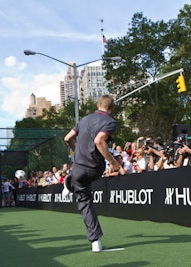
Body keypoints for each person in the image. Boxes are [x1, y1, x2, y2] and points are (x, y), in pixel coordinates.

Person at [62, 95, 121, 253]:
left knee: (85, 203)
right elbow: (99, 141)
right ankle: (69, 182)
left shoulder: (84, 120)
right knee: (80, 183)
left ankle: (96, 241)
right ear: (112, 108)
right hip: (95, 168)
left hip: (79, 168)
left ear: (98, 105)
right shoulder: (110, 122)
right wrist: (114, 162)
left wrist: (76, 149)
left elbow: (67, 138)